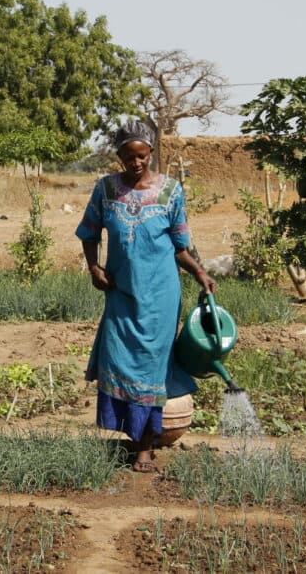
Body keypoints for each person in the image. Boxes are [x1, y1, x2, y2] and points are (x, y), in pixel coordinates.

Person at [75, 120, 216, 472]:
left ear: (151, 152)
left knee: (152, 368)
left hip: (160, 298)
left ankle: (145, 448)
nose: (135, 163)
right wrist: (94, 268)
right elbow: (89, 232)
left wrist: (200, 273)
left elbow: (181, 247)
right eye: (127, 157)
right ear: (119, 156)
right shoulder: (106, 189)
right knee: (121, 361)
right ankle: (129, 434)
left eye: (141, 156)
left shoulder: (171, 191)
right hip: (120, 293)